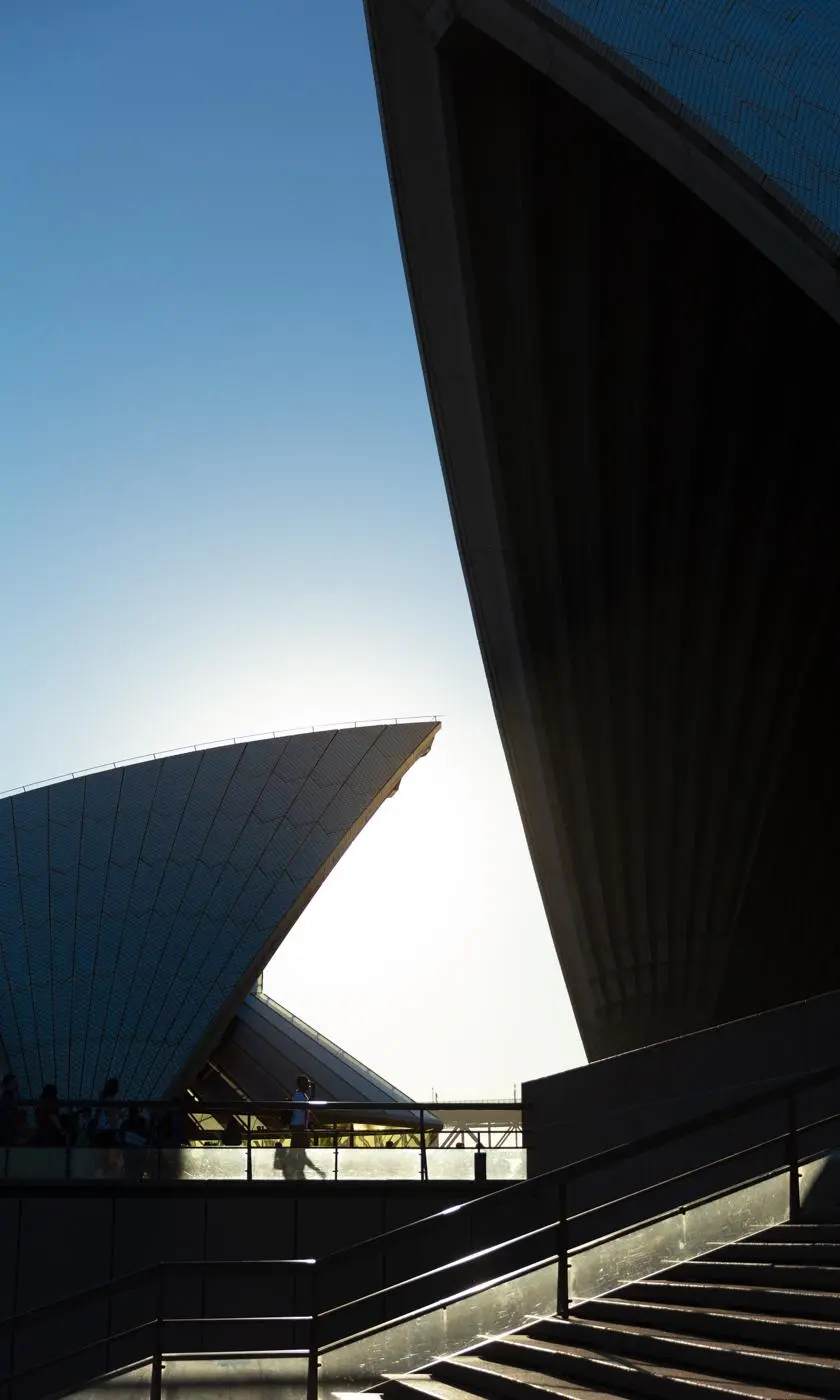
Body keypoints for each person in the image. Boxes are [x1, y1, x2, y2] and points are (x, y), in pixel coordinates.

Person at [284, 1075, 326, 1180]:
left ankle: (295, 1174)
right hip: (298, 1127)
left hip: (299, 1126)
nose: (308, 1084)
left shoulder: (301, 1095)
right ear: (300, 1084)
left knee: (299, 1150)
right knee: (299, 1150)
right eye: (306, 1082)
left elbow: (307, 1109)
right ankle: (295, 1174)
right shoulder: (299, 1096)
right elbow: (307, 1107)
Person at [94, 1077, 122, 1176]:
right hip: (107, 1133)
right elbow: (112, 1119)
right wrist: (117, 1133)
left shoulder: (103, 1100)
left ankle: (100, 1175)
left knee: (103, 1158)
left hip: (100, 1133)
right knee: (110, 1158)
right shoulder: (110, 1101)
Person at [0, 1073, 20, 1147]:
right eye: (15, 1082)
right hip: (7, 1132)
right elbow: (7, 1113)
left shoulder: (7, 1097)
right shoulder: (7, 1098)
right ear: (9, 1083)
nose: (17, 1084)